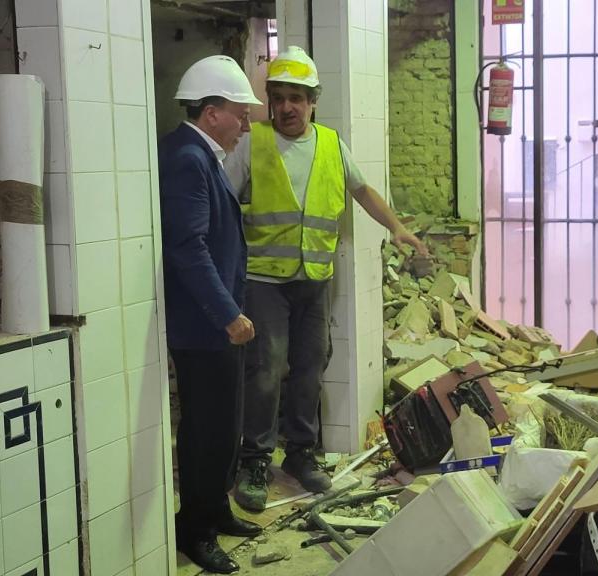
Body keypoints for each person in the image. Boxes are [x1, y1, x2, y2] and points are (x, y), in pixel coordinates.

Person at [224, 46, 429, 512]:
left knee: (310, 367)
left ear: (313, 100)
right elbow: (221, 203)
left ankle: (300, 454)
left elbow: (361, 190)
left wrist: (396, 227)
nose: (288, 107)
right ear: (271, 100)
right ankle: (254, 461)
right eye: (279, 97)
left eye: (298, 97)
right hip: (264, 280)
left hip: (314, 278)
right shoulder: (250, 144)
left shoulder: (332, 144)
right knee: (267, 369)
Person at [159, 55, 265, 574]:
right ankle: (195, 530)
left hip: (216, 322)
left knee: (224, 426)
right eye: (239, 113)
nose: (246, 124)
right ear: (212, 112)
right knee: (205, 430)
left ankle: (216, 510)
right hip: (203, 325)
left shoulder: (201, 155)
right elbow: (188, 247)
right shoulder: (187, 158)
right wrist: (227, 314)